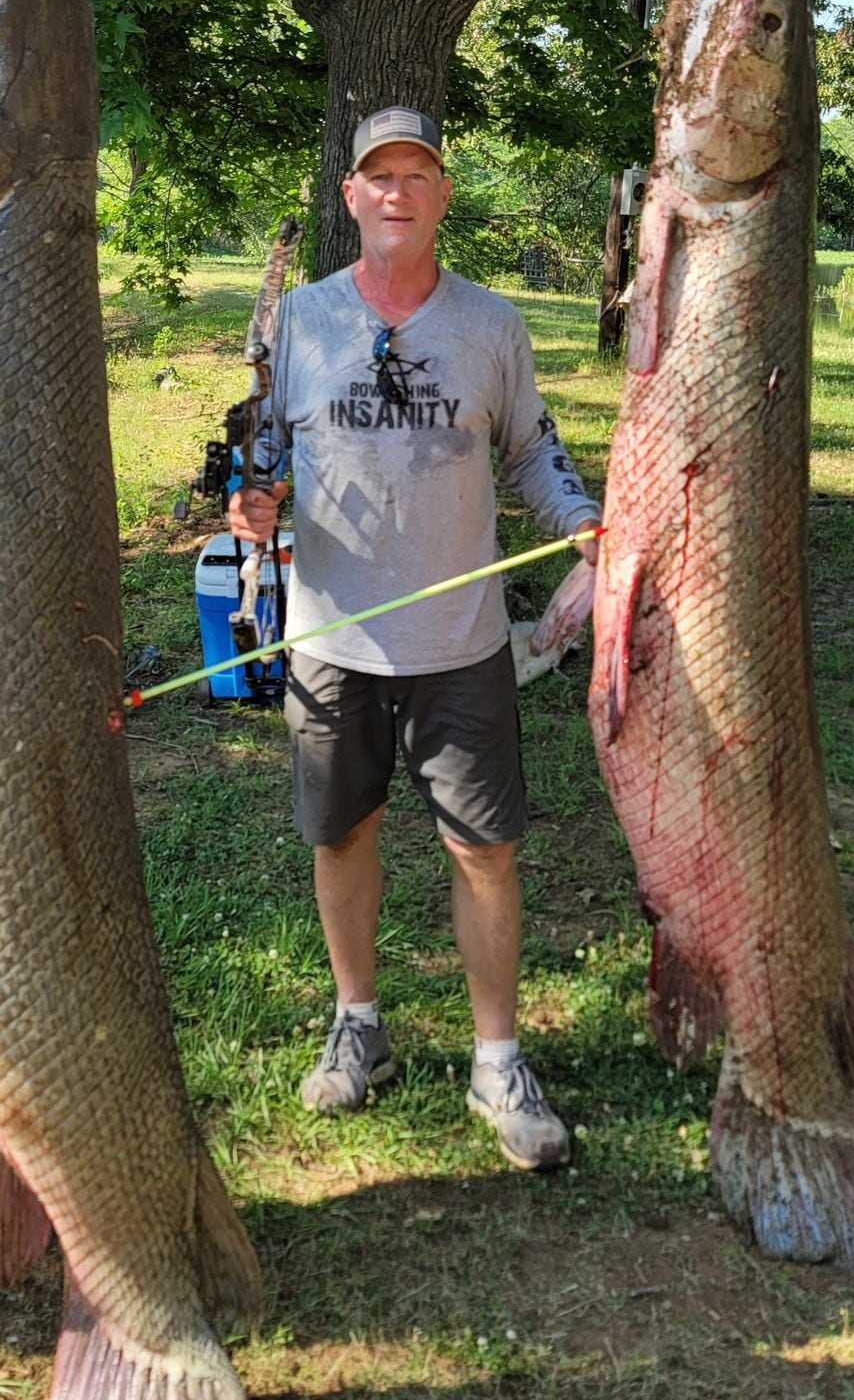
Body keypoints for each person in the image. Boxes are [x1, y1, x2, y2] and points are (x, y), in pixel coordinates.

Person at [228, 107, 599, 1170]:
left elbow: (532, 451)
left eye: (416, 174)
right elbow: (261, 464)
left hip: (462, 643)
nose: (395, 190)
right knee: (341, 836)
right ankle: (358, 1023)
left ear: (441, 195)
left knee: (485, 849)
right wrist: (253, 509)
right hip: (332, 644)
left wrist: (577, 519)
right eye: (376, 175)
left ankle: (497, 1055)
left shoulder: (491, 325)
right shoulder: (296, 321)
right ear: (349, 196)